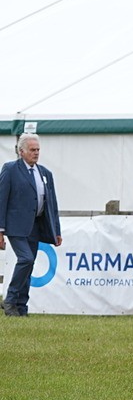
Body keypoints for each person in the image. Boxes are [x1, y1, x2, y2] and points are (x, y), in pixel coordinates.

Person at [0, 134, 62, 317]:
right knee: (26, 259)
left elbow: (53, 205)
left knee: (30, 264)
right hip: (16, 226)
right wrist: (0, 229)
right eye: (32, 150)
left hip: (36, 226)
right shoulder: (10, 169)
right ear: (21, 152)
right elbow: (1, 199)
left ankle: (21, 306)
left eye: (38, 150)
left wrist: (56, 230)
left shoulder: (45, 173)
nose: (36, 153)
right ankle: (10, 299)